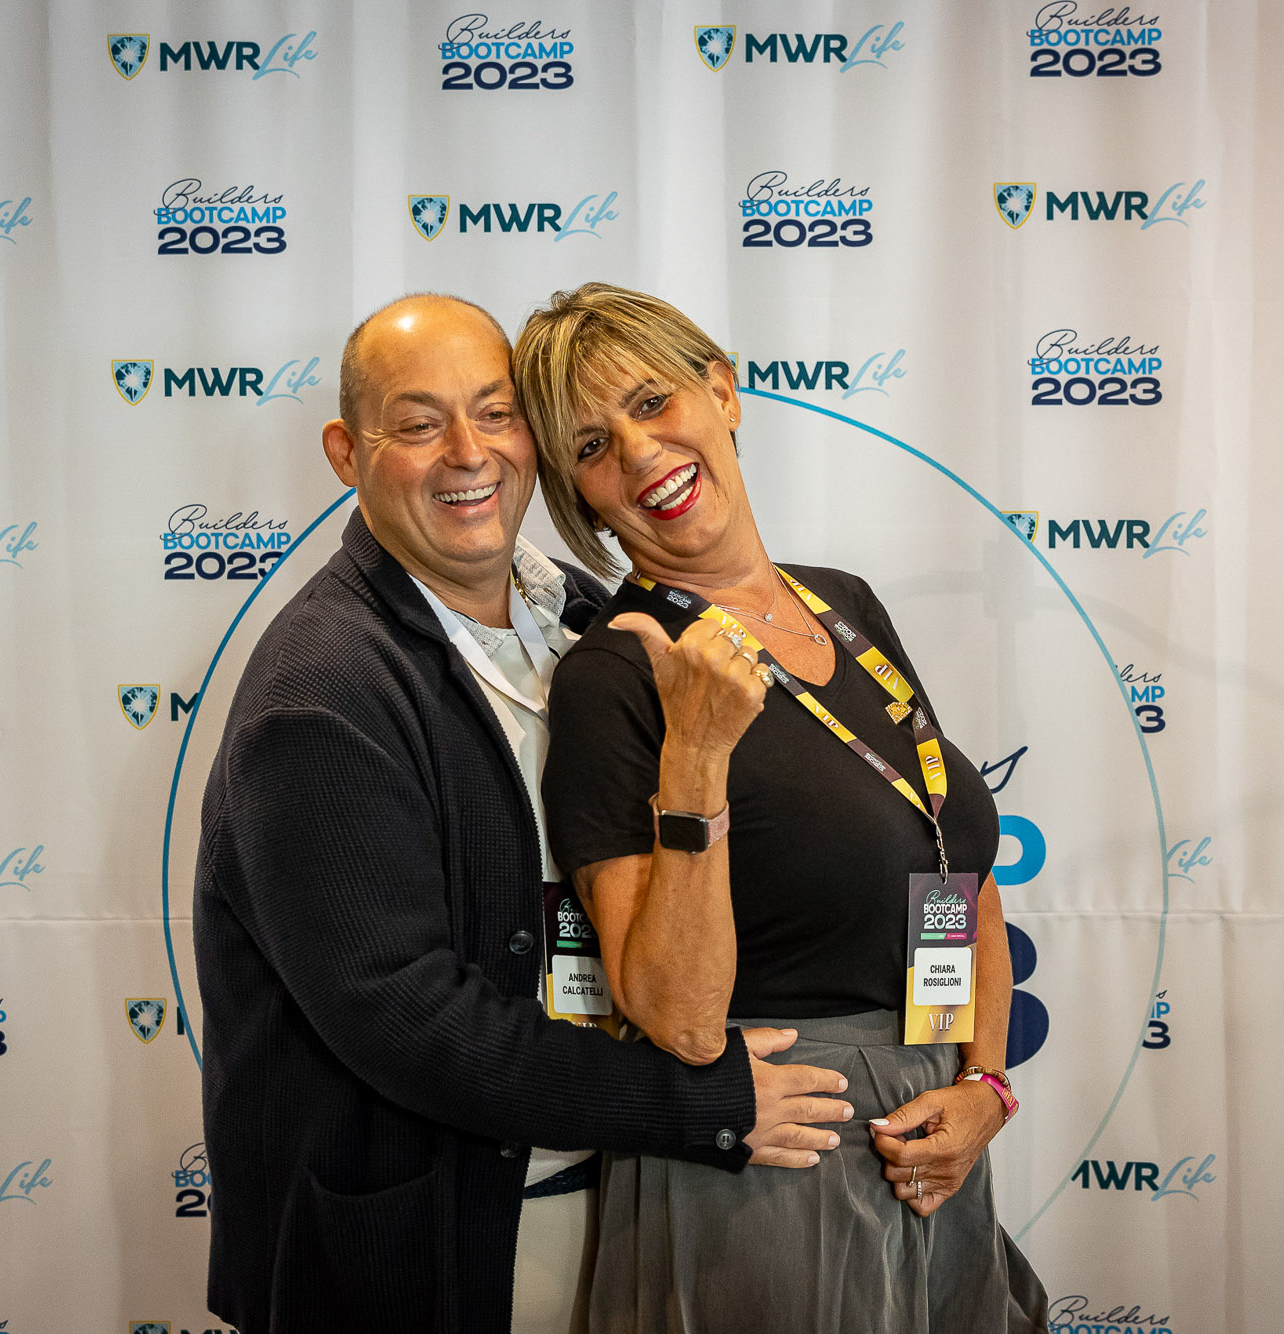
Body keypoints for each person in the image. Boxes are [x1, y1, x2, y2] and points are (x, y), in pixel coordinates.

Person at [191, 293, 855, 1333]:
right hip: (436, 1252)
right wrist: (701, 1103)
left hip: (627, 1205)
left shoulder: (591, 618)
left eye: (495, 414)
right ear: (346, 453)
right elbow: (408, 1020)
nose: (469, 452)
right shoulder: (321, 692)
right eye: (419, 424)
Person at [515, 283, 1049, 1333]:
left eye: (653, 401)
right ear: (579, 494)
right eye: (591, 445)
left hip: (929, 1136)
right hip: (767, 1167)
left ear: (722, 391)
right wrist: (698, 751)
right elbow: (671, 1013)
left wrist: (983, 1082)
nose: (639, 452)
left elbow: (951, 860)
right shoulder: (612, 676)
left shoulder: (843, 602)